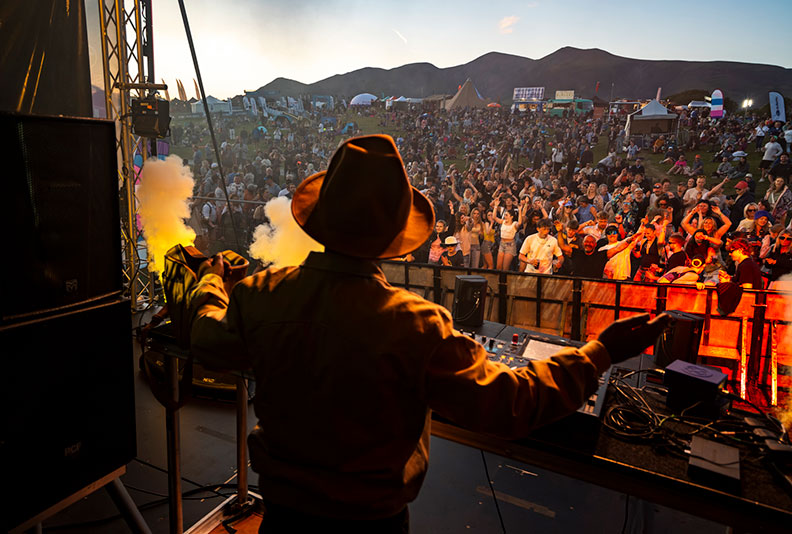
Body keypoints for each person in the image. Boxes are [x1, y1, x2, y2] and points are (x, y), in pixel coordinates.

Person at [188, 135, 670, 532]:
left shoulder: (259, 294)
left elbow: (208, 342)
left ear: (321, 221)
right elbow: (509, 402)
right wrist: (600, 352)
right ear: (394, 239)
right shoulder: (417, 324)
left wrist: (212, 281)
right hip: (372, 524)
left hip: (285, 520)